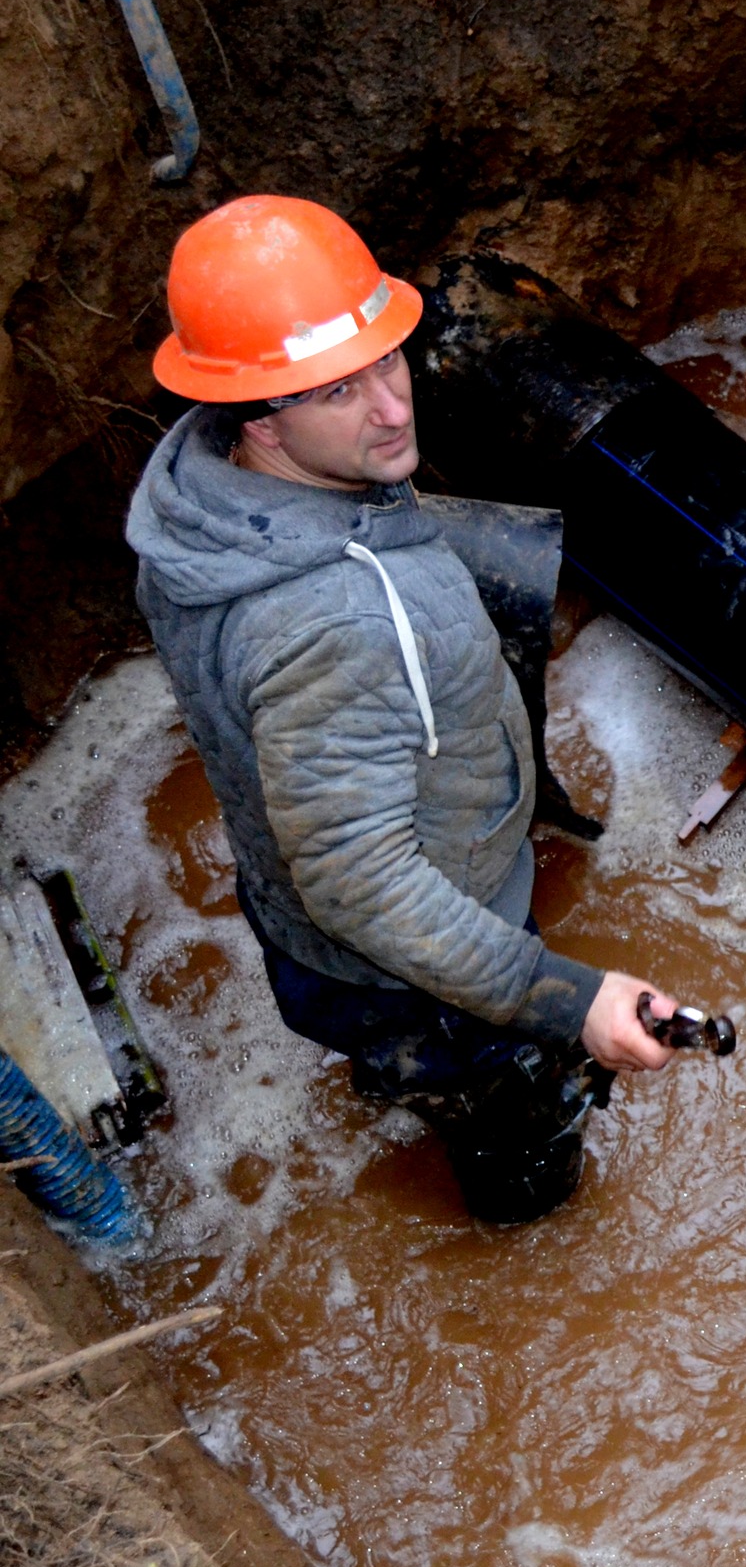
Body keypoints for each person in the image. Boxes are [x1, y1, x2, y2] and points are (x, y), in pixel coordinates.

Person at [127, 195, 687, 1223]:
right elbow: (359, 880)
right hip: (409, 975)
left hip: (306, 926)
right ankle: (520, 1233)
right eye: (341, 391)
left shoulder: (195, 504)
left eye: (387, 362)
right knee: (519, 1143)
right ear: (262, 416)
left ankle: (414, 1076)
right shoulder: (335, 626)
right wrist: (567, 997)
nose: (393, 409)